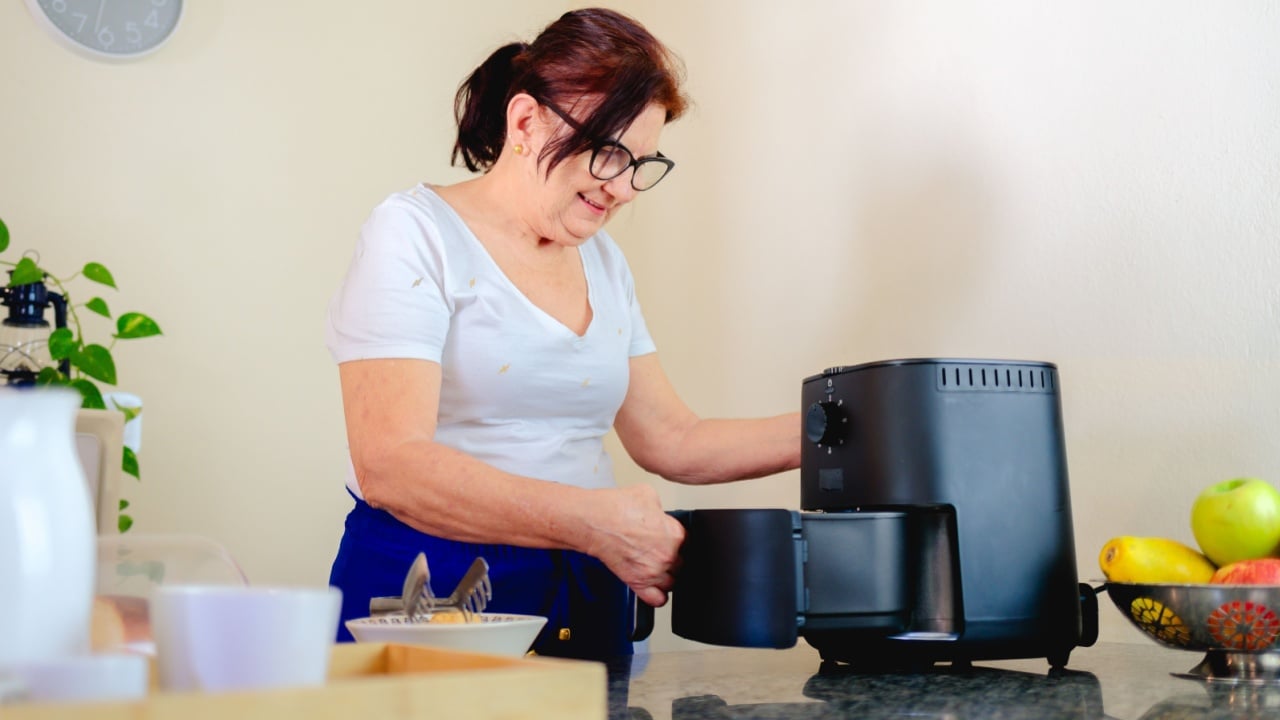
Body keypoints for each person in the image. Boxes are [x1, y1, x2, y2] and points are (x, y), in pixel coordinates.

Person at [325, 7, 800, 660]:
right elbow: (391, 466)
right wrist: (593, 521)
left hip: (584, 589)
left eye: (641, 163)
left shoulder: (603, 263)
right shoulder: (414, 233)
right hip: (432, 589)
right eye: (609, 154)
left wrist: (858, 428)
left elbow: (673, 439)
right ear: (525, 122)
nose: (625, 188)